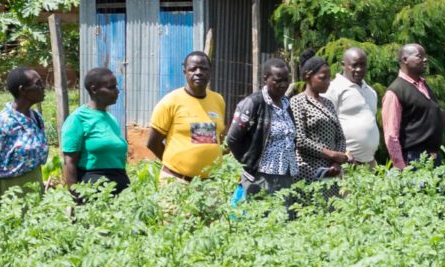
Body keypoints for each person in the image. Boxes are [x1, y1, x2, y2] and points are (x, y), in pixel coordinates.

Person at [226, 56, 302, 199]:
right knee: (260, 217)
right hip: (260, 177)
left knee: (283, 218)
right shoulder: (254, 103)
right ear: (265, 79)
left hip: (286, 175)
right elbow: (232, 139)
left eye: (286, 80)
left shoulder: (287, 104)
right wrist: (249, 163)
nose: (283, 84)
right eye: (278, 80)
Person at [146, 52, 227, 184]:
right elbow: (152, 142)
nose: (199, 72)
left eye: (203, 68)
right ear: (185, 71)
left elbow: (213, 137)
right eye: (193, 69)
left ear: (210, 72)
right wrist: (175, 165)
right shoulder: (171, 101)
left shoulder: (218, 100)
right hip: (176, 182)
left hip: (209, 185)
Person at [0, 66, 49, 204]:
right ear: (22, 90)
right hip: (11, 193)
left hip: (35, 187)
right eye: (38, 84)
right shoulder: (1, 123)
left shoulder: (35, 117)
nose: (44, 87)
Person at [58, 66, 131, 195]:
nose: (117, 91)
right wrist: (76, 196)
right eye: (111, 87)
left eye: (116, 86)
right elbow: (69, 162)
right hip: (93, 191)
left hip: (119, 189)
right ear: (94, 89)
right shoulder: (78, 119)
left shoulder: (110, 119)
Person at [289, 56, 351, 186]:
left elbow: (340, 137)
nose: (328, 82)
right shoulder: (298, 102)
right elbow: (300, 139)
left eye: (329, 78)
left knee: (331, 205)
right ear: (308, 76)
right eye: (323, 78)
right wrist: (331, 154)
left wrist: (336, 162)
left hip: (331, 170)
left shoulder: (328, 103)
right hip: (308, 170)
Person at [381, 43, 445, 168]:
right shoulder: (396, 91)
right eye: (419, 56)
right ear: (405, 59)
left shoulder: (423, 85)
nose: (425, 59)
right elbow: (391, 135)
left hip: (433, 158)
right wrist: (400, 167)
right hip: (413, 159)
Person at [327, 46, 384, 166]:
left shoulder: (370, 91)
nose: (359, 69)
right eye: (354, 65)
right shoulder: (333, 89)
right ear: (343, 65)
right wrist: (340, 154)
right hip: (346, 162)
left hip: (369, 162)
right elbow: (326, 126)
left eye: (362, 65)